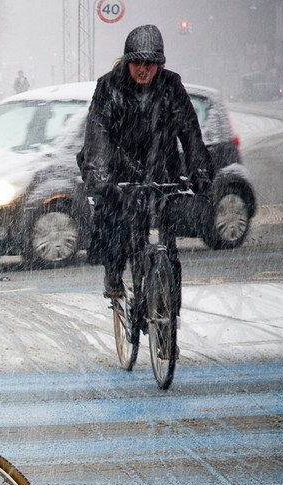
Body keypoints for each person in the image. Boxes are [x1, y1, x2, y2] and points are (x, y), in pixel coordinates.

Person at [78, 24, 212, 299]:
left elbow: (189, 130)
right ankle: (113, 275)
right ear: (127, 61)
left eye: (150, 64)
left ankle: (168, 318)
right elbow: (98, 132)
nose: (143, 70)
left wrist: (199, 170)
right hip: (120, 171)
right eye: (137, 63)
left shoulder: (171, 86)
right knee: (115, 224)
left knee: (169, 248)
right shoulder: (109, 86)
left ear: (160, 65)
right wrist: (100, 177)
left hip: (162, 170)